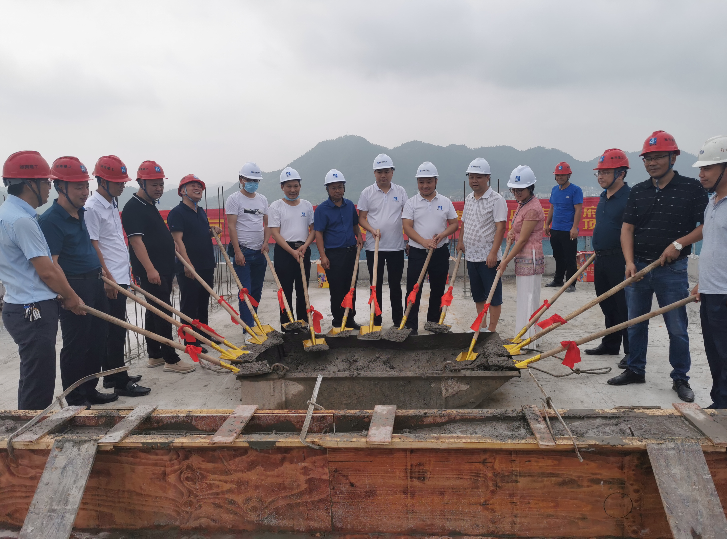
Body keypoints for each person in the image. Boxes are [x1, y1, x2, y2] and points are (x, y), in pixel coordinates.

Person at [608, 130, 708, 403]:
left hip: (672, 271)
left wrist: (679, 244)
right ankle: (635, 369)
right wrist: (629, 262)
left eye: (658, 157)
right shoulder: (638, 191)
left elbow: (705, 226)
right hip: (639, 268)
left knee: (677, 327)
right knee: (635, 323)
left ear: (673, 157)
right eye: (647, 159)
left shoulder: (692, 188)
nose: (652, 163)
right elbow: (627, 229)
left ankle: (680, 377)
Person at [0, 151, 85, 410]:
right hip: (33, 310)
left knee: (33, 375)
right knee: (39, 381)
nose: (50, 187)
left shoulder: (7, 213)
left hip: (19, 304)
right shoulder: (22, 220)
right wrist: (71, 297)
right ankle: (33, 430)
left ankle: (27, 424)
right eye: (46, 182)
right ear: (30, 184)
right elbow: (47, 271)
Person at [38, 156, 118, 406]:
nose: (85, 192)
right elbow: (53, 263)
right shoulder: (51, 220)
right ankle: (74, 397)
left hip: (94, 281)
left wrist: (105, 275)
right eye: (78, 187)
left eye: (86, 186)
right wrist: (68, 295)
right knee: (77, 343)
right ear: (60, 187)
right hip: (74, 285)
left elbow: (90, 247)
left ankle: (90, 389)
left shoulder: (83, 213)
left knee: (98, 338)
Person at [122, 161, 196, 373]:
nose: (158, 188)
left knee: (153, 311)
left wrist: (169, 244)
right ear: (141, 183)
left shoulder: (149, 205)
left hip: (163, 267)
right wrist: (150, 269)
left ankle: (155, 355)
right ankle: (171, 359)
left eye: (161, 184)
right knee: (163, 313)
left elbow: (154, 234)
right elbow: (136, 241)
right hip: (152, 271)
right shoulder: (133, 207)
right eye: (154, 184)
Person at [85, 155, 149, 397]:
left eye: (123, 181)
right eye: (118, 182)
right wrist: (108, 277)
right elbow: (93, 245)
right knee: (114, 332)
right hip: (109, 279)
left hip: (120, 275)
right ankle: (120, 381)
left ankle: (113, 375)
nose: (123, 185)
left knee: (116, 330)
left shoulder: (111, 203)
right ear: (102, 181)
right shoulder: (92, 208)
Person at [690, 135, 727, 409]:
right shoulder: (712, 202)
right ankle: (720, 404)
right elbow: (714, 247)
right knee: (715, 353)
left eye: (708, 168)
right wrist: (702, 282)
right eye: (701, 168)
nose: (701, 174)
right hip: (711, 291)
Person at [401, 162, 459, 335]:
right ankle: (410, 326)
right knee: (414, 288)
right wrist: (423, 241)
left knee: (438, 288)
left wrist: (442, 234)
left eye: (429, 181)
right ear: (417, 183)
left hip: (440, 251)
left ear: (436, 181)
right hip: (417, 252)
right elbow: (407, 227)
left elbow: (454, 224)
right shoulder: (411, 203)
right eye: (421, 182)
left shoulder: (445, 202)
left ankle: (433, 323)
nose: (425, 185)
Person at [585, 149, 631, 366]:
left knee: (624, 306)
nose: (600, 177)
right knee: (606, 302)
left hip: (619, 259)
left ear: (621, 173)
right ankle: (611, 344)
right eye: (599, 173)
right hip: (601, 258)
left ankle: (632, 351)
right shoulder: (604, 197)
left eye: (605, 172)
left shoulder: (629, 198)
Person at [168, 174, 222, 350]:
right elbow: (178, 241)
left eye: (199, 186)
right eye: (192, 185)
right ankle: (191, 340)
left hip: (206, 263)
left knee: (203, 301)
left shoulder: (200, 211)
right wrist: (187, 264)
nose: (197, 188)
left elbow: (199, 233)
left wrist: (211, 231)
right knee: (190, 303)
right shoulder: (177, 213)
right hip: (189, 265)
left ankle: (203, 334)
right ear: (182, 191)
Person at [357, 154, 408, 327]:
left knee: (395, 285)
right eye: (379, 172)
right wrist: (371, 230)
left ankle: (398, 321)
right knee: (375, 285)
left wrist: (408, 240)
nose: (383, 175)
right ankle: (376, 320)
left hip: (396, 247)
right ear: (374, 173)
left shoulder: (400, 191)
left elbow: (407, 217)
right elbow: (361, 218)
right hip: (374, 248)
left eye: (386, 171)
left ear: (392, 172)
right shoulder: (367, 193)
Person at [457, 158, 507, 332]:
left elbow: (501, 228)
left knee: (493, 295)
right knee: (478, 294)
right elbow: (464, 222)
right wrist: (461, 241)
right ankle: (481, 325)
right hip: (471, 256)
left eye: (478, 177)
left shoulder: (496, 199)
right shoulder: (469, 198)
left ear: (488, 177)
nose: (474, 181)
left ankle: (491, 330)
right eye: (471, 177)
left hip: (488, 258)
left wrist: (493, 252)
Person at [500, 165, 546, 344]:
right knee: (523, 297)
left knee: (529, 298)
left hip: (530, 257)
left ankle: (529, 339)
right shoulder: (523, 204)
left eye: (521, 189)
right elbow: (518, 230)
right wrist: (512, 232)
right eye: (514, 189)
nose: (517, 193)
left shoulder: (532, 208)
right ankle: (521, 335)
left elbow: (523, 240)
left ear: (530, 188)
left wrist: (505, 261)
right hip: (522, 257)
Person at [314, 169, 363, 330]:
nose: (337, 191)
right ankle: (337, 321)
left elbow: (355, 225)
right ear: (327, 189)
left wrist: (359, 236)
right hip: (334, 254)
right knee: (337, 289)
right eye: (333, 188)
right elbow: (319, 234)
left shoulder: (349, 206)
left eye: (340, 187)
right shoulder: (322, 209)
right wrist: (323, 256)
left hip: (351, 252)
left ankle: (350, 319)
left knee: (351, 287)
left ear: (344, 188)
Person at [268, 167, 315, 331]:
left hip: (303, 251)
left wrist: (305, 246)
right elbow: (275, 233)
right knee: (285, 291)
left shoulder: (307, 205)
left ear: (300, 186)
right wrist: (291, 251)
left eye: (296, 186)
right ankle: (287, 325)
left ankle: (303, 324)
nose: (293, 190)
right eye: (289, 186)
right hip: (284, 252)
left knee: (303, 290)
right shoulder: (276, 206)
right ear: (282, 187)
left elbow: (313, 229)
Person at [226, 162, 270, 327]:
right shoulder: (234, 199)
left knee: (256, 290)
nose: (253, 183)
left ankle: (254, 322)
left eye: (256, 180)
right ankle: (248, 329)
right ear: (241, 180)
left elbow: (268, 223)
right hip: (243, 251)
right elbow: (231, 226)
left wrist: (266, 242)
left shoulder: (262, 200)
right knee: (245, 292)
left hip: (260, 252)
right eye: (249, 180)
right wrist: (237, 252)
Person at [544, 162, 583, 292]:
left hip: (568, 230)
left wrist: (574, 228)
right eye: (557, 175)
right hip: (555, 229)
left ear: (568, 175)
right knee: (558, 256)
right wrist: (547, 224)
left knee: (570, 258)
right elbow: (552, 208)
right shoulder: (554, 190)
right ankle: (558, 280)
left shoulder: (575, 190)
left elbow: (578, 210)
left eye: (562, 175)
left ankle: (571, 283)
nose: (559, 177)